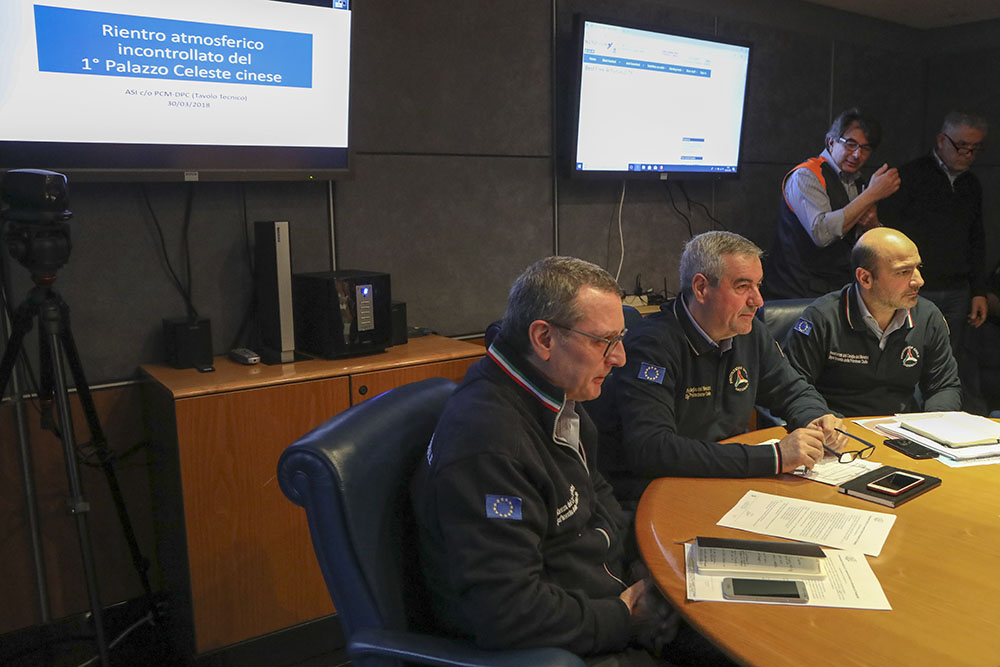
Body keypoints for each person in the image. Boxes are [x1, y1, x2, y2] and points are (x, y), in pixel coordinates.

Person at [410, 257, 713, 665]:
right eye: (604, 341)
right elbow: (509, 613)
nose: (619, 358)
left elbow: (598, 497)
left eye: (620, 339)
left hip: (606, 601)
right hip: (565, 645)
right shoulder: (489, 445)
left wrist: (651, 567)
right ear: (544, 338)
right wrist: (625, 616)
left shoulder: (556, 394)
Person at [587, 232, 848, 503]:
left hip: (727, 479)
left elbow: (792, 391)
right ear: (701, 288)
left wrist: (815, 417)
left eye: (758, 285)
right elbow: (653, 449)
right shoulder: (652, 346)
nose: (758, 301)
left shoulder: (749, 332)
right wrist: (774, 457)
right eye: (743, 286)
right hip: (660, 492)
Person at [783, 228, 960, 417]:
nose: (919, 281)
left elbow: (944, 386)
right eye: (904, 272)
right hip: (838, 427)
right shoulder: (822, 318)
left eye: (918, 268)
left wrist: (935, 425)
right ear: (865, 278)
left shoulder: (927, 316)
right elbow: (794, 389)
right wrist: (821, 421)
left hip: (900, 427)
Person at [879, 111, 988, 412]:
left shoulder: (971, 184)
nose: (967, 154)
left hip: (957, 288)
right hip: (915, 285)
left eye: (975, 148)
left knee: (947, 360)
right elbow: (890, 235)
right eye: (961, 145)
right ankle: (907, 416)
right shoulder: (911, 176)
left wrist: (978, 290)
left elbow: (977, 239)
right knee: (907, 353)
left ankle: (939, 417)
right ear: (942, 140)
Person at [764, 107, 900, 299]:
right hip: (796, 293)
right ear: (831, 142)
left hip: (837, 289)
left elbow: (860, 242)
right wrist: (871, 194)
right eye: (851, 144)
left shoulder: (858, 182)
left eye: (865, 148)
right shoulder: (807, 175)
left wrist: (873, 225)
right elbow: (821, 234)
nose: (857, 154)